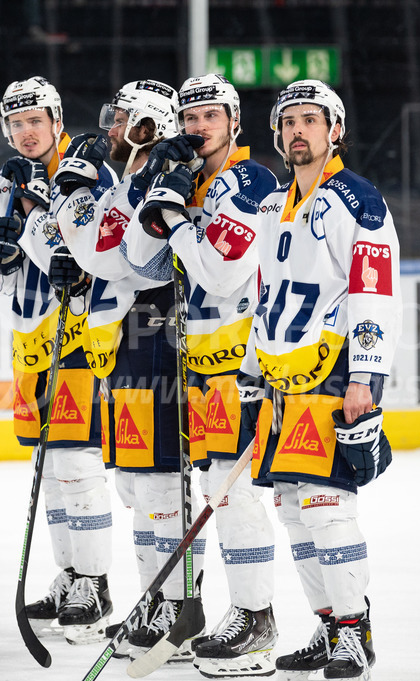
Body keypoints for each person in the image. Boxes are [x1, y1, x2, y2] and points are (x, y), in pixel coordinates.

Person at [238, 80, 401, 681]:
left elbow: (373, 292)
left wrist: (367, 375)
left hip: (332, 373)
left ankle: (355, 633)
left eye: (311, 120)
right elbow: (267, 298)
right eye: (289, 122)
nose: (297, 131)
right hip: (280, 381)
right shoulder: (271, 205)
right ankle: (331, 625)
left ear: (336, 131)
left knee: (325, 505)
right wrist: (253, 370)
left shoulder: (356, 201)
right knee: (292, 511)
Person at [128, 73, 280, 677]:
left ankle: (256, 617)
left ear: (234, 122)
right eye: (188, 118)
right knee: (213, 489)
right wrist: (152, 189)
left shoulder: (253, 180)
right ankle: (222, 614)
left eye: (210, 116)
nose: (197, 127)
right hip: (195, 366)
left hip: (239, 364)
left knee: (232, 494)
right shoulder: (186, 180)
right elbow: (141, 263)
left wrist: (177, 220)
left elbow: (218, 270)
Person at [50, 79, 206, 661]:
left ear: (146, 125)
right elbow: (96, 252)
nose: (108, 128)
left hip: (161, 328)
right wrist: (73, 193)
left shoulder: (167, 174)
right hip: (128, 338)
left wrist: (81, 197)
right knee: (137, 485)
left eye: (119, 120)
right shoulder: (130, 179)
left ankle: (177, 605)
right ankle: (155, 597)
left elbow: (135, 262)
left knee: (164, 481)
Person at [0, 76, 116, 645]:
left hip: (78, 335)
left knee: (77, 465)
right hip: (31, 340)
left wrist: (33, 228)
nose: (25, 132)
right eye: (16, 124)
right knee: (50, 470)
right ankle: (70, 575)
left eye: (35, 120)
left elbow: (85, 254)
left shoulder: (89, 170)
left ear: (57, 119)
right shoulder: (6, 179)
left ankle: (96, 583)